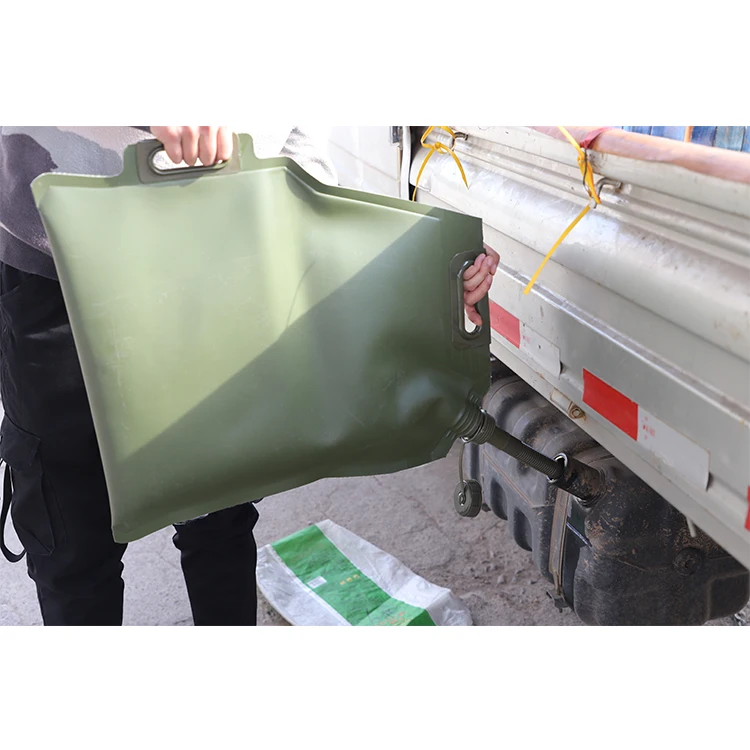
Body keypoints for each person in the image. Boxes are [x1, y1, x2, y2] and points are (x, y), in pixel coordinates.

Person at [0, 125, 498, 626]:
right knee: (73, 543)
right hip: (53, 268)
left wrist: (421, 280)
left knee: (221, 518)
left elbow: (298, 144)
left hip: (220, 258)